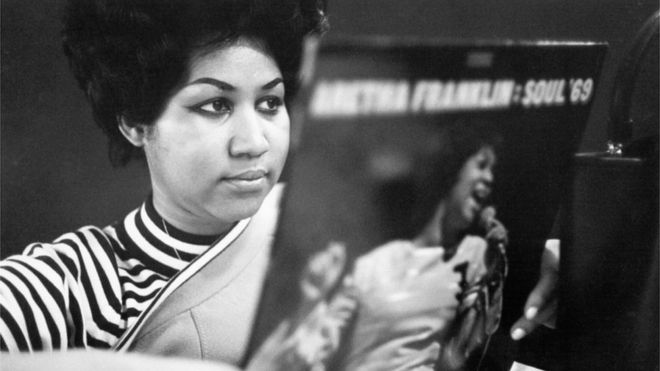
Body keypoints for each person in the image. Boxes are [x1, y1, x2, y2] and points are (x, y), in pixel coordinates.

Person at [1, 0, 327, 368]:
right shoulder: (84, 282)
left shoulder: (325, 238)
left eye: (269, 102)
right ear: (135, 124)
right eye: (216, 105)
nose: (254, 143)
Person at [251, 120, 509, 371]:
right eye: (482, 165)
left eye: (494, 172)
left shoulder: (476, 254)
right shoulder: (372, 264)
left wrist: (496, 265)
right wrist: (311, 301)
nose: (489, 178)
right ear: (452, 167)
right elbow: (316, 350)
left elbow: (470, 346)